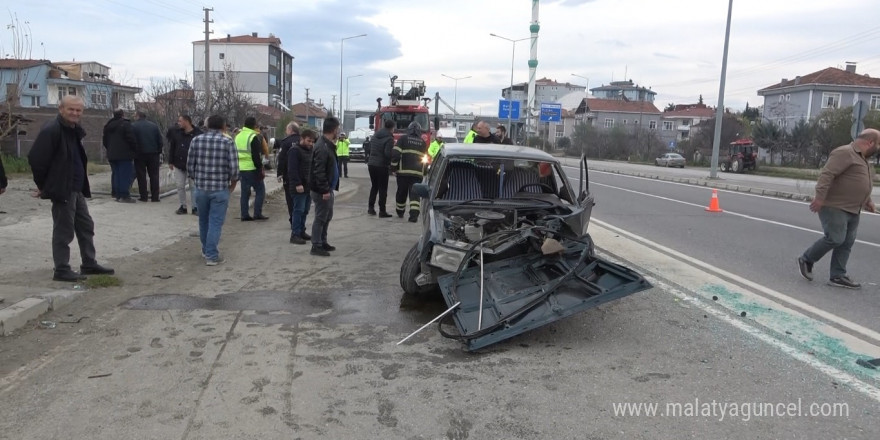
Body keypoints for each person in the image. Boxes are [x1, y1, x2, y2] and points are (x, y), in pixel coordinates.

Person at [27, 95, 115, 281]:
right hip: (62, 189)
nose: (75, 113)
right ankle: (61, 269)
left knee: (85, 226)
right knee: (63, 230)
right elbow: (36, 159)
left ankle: (89, 263)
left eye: (78, 110)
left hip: (76, 188)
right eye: (71, 109)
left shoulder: (73, 130)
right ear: (61, 109)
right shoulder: (52, 129)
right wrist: (44, 186)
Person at [797, 128, 878, 289]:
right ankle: (807, 259)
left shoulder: (863, 159)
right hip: (835, 206)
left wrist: (867, 200)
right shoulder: (845, 153)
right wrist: (820, 198)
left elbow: (858, 181)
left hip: (853, 208)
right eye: (879, 145)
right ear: (870, 143)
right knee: (835, 238)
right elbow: (827, 175)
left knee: (847, 242)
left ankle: (838, 275)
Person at [187, 115, 239, 266]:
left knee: (203, 220)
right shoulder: (228, 142)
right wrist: (232, 186)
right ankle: (211, 255)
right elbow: (234, 169)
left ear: (207, 125)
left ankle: (205, 250)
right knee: (215, 222)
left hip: (201, 188)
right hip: (220, 188)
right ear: (223, 126)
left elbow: (190, 165)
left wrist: (196, 179)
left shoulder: (196, 140)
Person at [309, 117, 340, 257]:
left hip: (328, 188)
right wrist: (324, 190)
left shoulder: (328, 144)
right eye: (337, 129)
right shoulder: (322, 146)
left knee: (327, 216)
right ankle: (316, 245)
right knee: (321, 217)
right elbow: (319, 170)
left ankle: (323, 241)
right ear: (333, 130)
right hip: (322, 190)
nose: (338, 131)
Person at [391, 121, 427, 222]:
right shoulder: (423, 143)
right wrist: (424, 173)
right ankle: (414, 216)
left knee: (401, 193)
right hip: (417, 174)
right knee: (415, 195)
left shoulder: (403, 139)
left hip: (403, 173)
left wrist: (393, 168)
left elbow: (396, 154)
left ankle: (400, 211)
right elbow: (426, 159)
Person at [167, 115, 203, 215]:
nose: (178, 123)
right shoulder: (177, 134)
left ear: (187, 121)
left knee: (193, 186)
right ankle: (183, 206)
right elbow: (172, 147)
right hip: (179, 163)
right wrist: (171, 161)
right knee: (180, 185)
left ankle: (195, 207)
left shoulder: (198, 134)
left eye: (180, 121)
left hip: (194, 164)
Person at [234, 116, 268, 221]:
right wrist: (260, 168)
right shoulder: (253, 136)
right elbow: (255, 156)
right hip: (252, 168)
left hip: (241, 168)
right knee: (260, 190)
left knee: (245, 192)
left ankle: (244, 214)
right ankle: (257, 213)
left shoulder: (238, 136)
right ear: (254, 126)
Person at [102, 109, 138, 203]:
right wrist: (134, 149)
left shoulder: (108, 126)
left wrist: (109, 149)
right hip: (124, 154)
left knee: (116, 174)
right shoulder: (126, 124)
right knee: (125, 175)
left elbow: (104, 141)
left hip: (111, 154)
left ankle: (117, 195)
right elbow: (131, 139)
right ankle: (124, 195)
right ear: (122, 115)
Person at [287, 129, 317, 245]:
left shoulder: (310, 151)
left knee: (305, 210)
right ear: (302, 139)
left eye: (312, 141)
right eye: (308, 141)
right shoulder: (294, 151)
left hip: (308, 186)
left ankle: (301, 231)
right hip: (298, 187)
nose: (310, 143)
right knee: (298, 210)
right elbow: (292, 170)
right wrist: (298, 184)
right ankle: (295, 234)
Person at [131, 111, 163, 202]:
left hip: (139, 154)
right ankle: (155, 196)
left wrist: (133, 152)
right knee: (154, 175)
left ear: (138, 116)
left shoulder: (133, 126)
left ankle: (144, 196)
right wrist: (158, 151)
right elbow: (159, 140)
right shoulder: (154, 126)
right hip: (153, 153)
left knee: (141, 175)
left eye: (134, 115)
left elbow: (132, 140)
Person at [367, 120, 395, 217]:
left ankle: (371, 208)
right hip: (381, 165)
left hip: (371, 164)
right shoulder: (389, 138)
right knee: (383, 189)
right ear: (392, 128)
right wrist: (393, 158)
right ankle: (382, 211)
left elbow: (370, 149)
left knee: (374, 186)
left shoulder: (375, 135)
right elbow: (387, 154)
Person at [276, 121, 301, 224]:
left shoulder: (286, 142)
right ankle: (299, 221)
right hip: (302, 175)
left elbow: (281, 159)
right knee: (301, 199)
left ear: (291, 130)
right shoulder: (303, 140)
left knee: (290, 199)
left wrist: (279, 173)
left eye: (287, 129)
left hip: (288, 174)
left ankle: (293, 219)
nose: (286, 131)